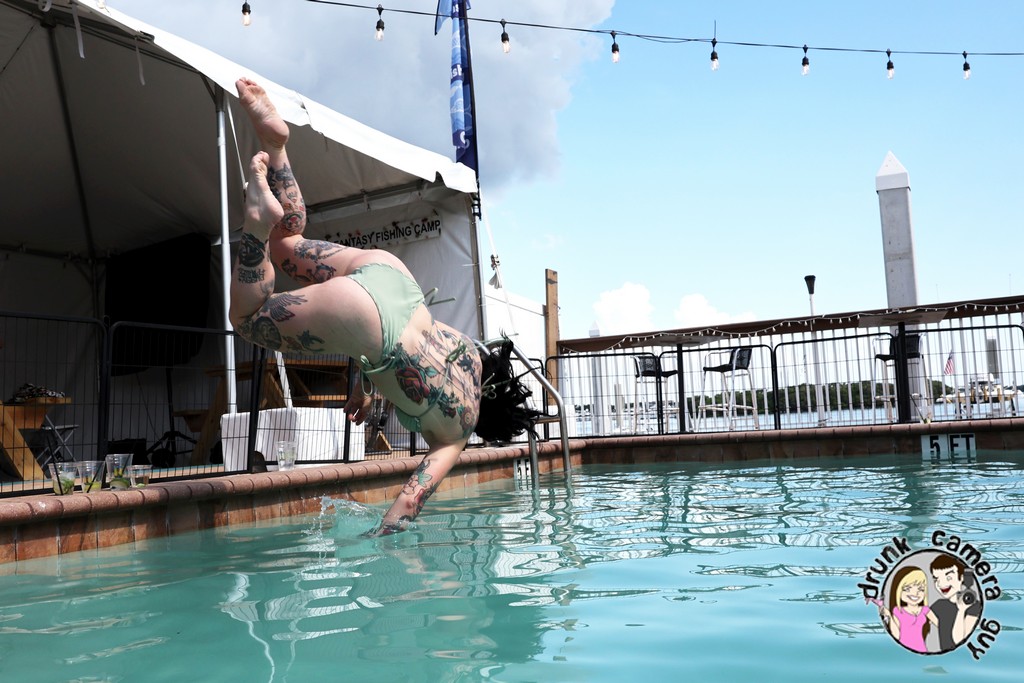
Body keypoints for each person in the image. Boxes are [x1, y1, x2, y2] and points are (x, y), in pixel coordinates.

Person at [229, 78, 538, 535]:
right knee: (246, 319)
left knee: (286, 244)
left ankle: (276, 149)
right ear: (488, 425)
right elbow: (409, 502)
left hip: (393, 277)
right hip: (367, 320)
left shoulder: (471, 356)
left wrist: (365, 388)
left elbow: (408, 342)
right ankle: (256, 224)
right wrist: (382, 535)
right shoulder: (457, 434)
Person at [875, 566, 938, 653]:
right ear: (898, 590)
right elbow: (896, 635)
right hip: (902, 650)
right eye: (907, 589)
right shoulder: (897, 611)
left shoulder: (925, 610)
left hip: (922, 649)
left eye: (921, 589)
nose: (915, 593)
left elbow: (941, 625)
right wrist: (889, 616)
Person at [929, 554, 982, 652]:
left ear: (961, 578)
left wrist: (961, 610)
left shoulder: (974, 606)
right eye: (936, 579)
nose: (941, 584)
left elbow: (959, 641)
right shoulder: (939, 605)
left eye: (949, 578)